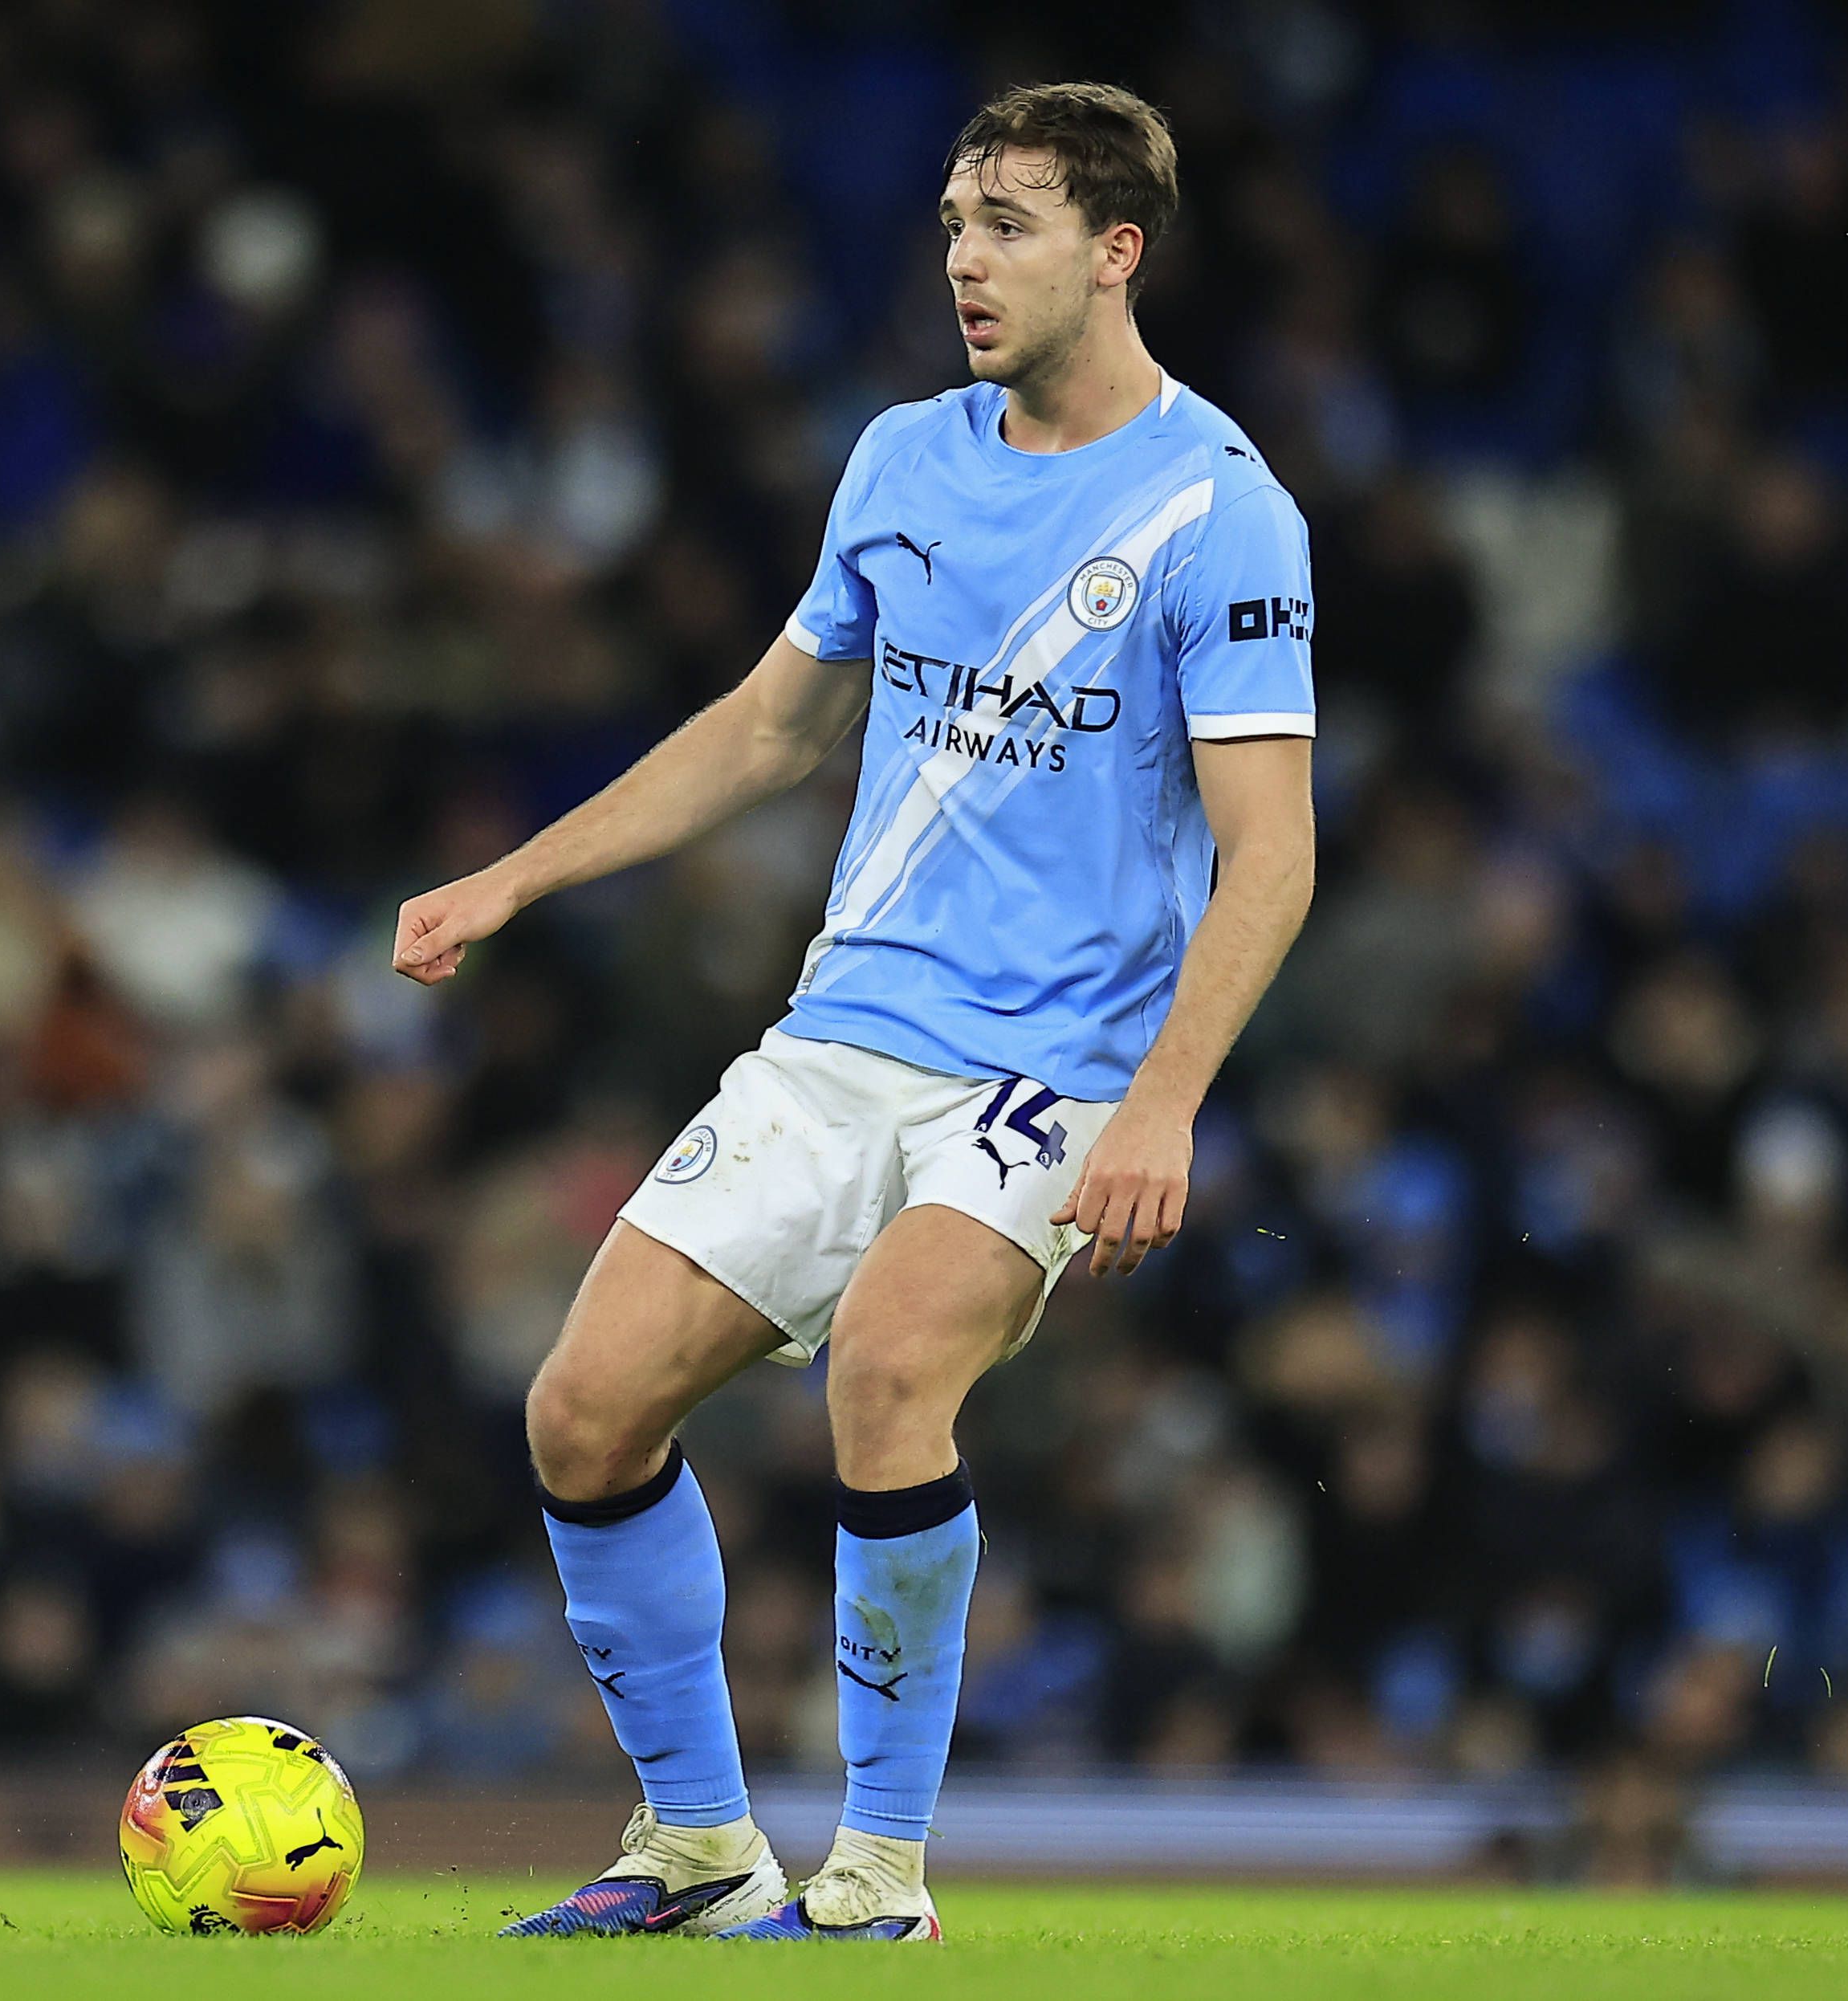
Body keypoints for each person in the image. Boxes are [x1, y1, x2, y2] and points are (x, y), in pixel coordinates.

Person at [394, 80, 1317, 1942]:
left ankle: (879, 1873)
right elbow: (770, 726)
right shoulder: (900, 456)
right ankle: (699, 1847)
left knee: (889, 1370)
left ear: (1113, 250)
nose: (965, 259)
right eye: (956, 220)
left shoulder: (1222, 509)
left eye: (1010, 225)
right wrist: (519, 875)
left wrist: (1163, 1103)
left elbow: (1270, 854)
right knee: (581, 1411)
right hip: (838, 1039)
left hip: (1046, 1072)